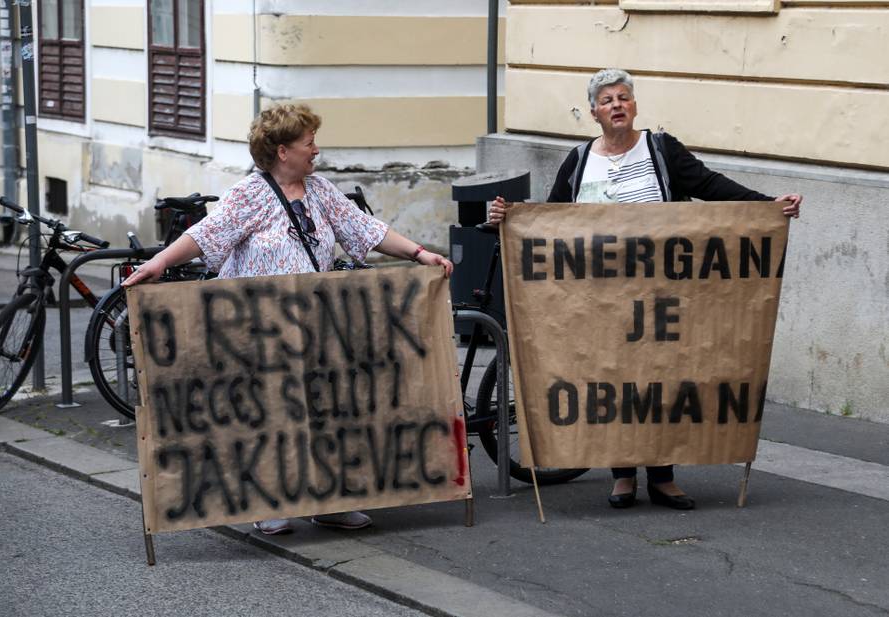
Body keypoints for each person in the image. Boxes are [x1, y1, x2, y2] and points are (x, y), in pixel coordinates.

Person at [124, 103, 453, 533]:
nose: (315, 149)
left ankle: (331, 498)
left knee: (328, 411)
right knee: (271, 416)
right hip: (259, 331)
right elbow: (206, 234)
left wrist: (418, 253)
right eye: (308, 142)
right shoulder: (250, 195)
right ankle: (268, 501)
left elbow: (365, 229)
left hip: (318, 324)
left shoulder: (320, 191)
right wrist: (160, 264)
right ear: (282, 151)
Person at [487, 68, 802, 511]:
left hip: (661, 295)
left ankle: (663, 477)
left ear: (634, 106)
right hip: (598, 298)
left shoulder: (661, 149)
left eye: (624, 98)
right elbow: (550, 217)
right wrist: (509, 219)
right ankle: (622, 476)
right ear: (594, 113)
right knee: (612, 377)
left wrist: (767, 206)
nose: (617, 105)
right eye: (607, 100)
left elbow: (710, 186)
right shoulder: (579, 161)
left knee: (662, 376)